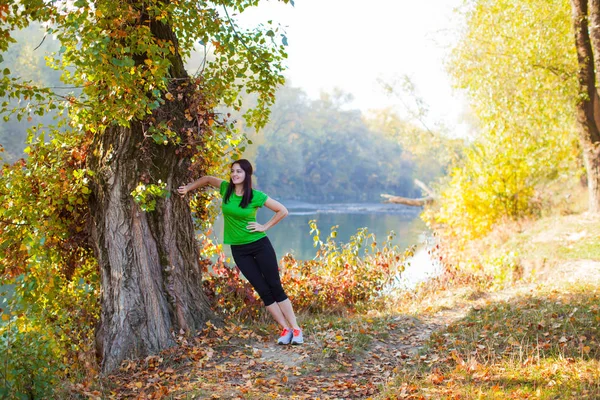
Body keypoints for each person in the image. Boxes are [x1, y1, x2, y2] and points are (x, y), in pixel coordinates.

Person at [177, 159, 303, 345]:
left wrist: (264, 226)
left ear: (247, 175)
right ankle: (285, 329)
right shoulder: (226, 189)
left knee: (275, 286)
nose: (235, 174)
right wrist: (188, 188)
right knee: (262, 289)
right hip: (239, 250)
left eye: (239, 171)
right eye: (233, 171)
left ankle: (297, 329)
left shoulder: (255, 196)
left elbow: (282, 211)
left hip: (260, 245)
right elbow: (207, 179)